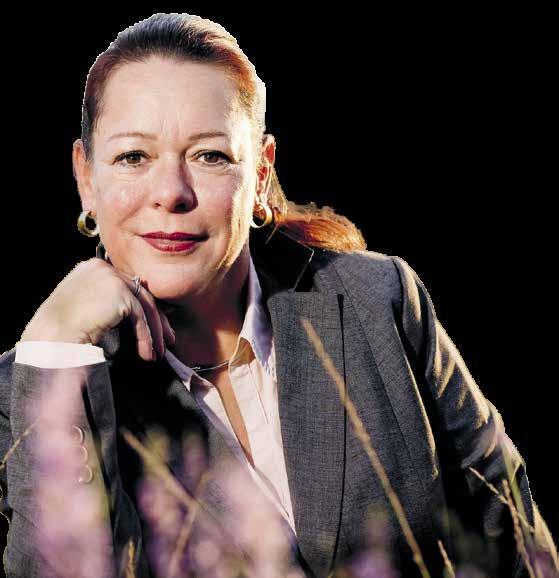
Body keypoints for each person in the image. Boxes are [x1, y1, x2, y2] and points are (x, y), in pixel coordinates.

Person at [0, 12, 557, 578]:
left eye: (210, 155)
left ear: (261, 174)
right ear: (86, 179)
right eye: (133, 157)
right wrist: (55, 346)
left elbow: (517, 544)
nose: (170, 192)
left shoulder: (378, 301)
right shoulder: (28, 390)